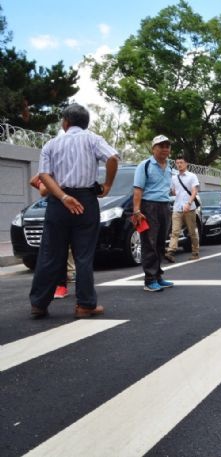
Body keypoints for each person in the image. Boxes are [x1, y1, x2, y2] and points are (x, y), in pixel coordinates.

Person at [29, 103, 119, 319]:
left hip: (58, 203)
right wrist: (106, 186)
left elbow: (43, 176)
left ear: (65, 122)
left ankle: (39, 304)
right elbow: (113, 158)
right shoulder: (93, 139)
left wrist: (63, 197)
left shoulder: (51, 144)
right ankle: (85, 305)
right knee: (83, 255)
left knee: (50, 253)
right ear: (85, 123)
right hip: (86, 201)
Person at [132, 135, 176, 291]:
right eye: (161, 146)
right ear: (153, 148)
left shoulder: (170, 168)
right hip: (148, 207)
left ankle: (157, 275)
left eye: (167, 146)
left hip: (164, 206)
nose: (165, 149)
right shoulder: (144, 165)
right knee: (149, 243)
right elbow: (138, 189)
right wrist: (136, 210)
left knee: (159, 242)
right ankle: (150, 280)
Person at [30, 174, 75, 299]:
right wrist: (48, 182)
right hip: (59, 208)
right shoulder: (53, 169)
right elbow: (37, 184)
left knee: (68, 248)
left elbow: (37, 184)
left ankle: (72, 284)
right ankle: (61, 285)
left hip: (67, 207)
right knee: (59, 249)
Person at [165, 155, 200, 262]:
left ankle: (195, 252)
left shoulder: (192, 176)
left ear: (186, 164)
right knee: (175, 231)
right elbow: (174, 191)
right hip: (177, 207)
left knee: (191, 232)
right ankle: (171, 252)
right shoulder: (174, 178)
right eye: (177, 163)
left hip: (189, 208)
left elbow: (194, 191)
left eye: (181, 162)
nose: (179, 164)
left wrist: (188, 203)